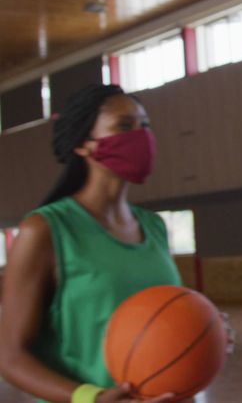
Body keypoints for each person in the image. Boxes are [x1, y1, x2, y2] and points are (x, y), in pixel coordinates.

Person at [0, 85, 182, 403]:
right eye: (124, 126)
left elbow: (160, 323)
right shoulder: (45, 230)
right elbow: (10, 356)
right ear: (83, 144)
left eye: (145, 125)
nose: (140, 136)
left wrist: (204, 330)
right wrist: (91, 398)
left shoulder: (154, 227)